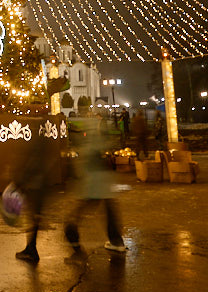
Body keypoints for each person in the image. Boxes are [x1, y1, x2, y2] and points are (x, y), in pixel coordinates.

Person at [64, 112, 126, 255]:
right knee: (105, 208)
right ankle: (116, 241)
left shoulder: (89, 138)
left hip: (94, 180)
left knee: (86, 207)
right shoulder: (97, 135)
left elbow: (88, 154)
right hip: (101, 180)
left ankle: (71, 232)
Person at [14, 122, 56, 263]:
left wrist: (20, 180)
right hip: (42, 184)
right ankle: (31, 248)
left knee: (32, 217)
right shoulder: (45, 142)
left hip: (34, 185)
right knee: (35, 216)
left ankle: (31, 249)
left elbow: (32, 163)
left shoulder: (36, 144)